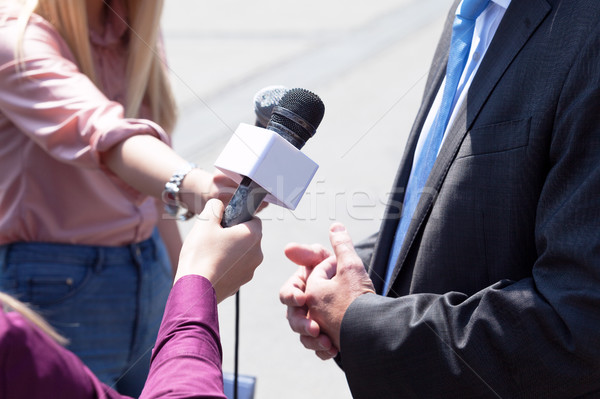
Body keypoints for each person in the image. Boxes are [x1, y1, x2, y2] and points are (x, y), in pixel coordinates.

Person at [280, 0, 600, 397]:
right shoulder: (472, 9)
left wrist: (363, 320)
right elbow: (454, 200)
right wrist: (354, 274)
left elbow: (578, 322)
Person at [0, 0, 235, 395]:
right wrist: (199, 187)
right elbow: (102, 132)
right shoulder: (17, 38)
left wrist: (192, 282)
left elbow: (150, 192)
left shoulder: (133, 28)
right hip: (57, 284)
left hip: (149, 264)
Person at [1, 199, 263, 399]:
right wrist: (196, 282)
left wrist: (184, 278)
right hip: (66, 291)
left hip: (146, 267)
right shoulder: (9, 340)